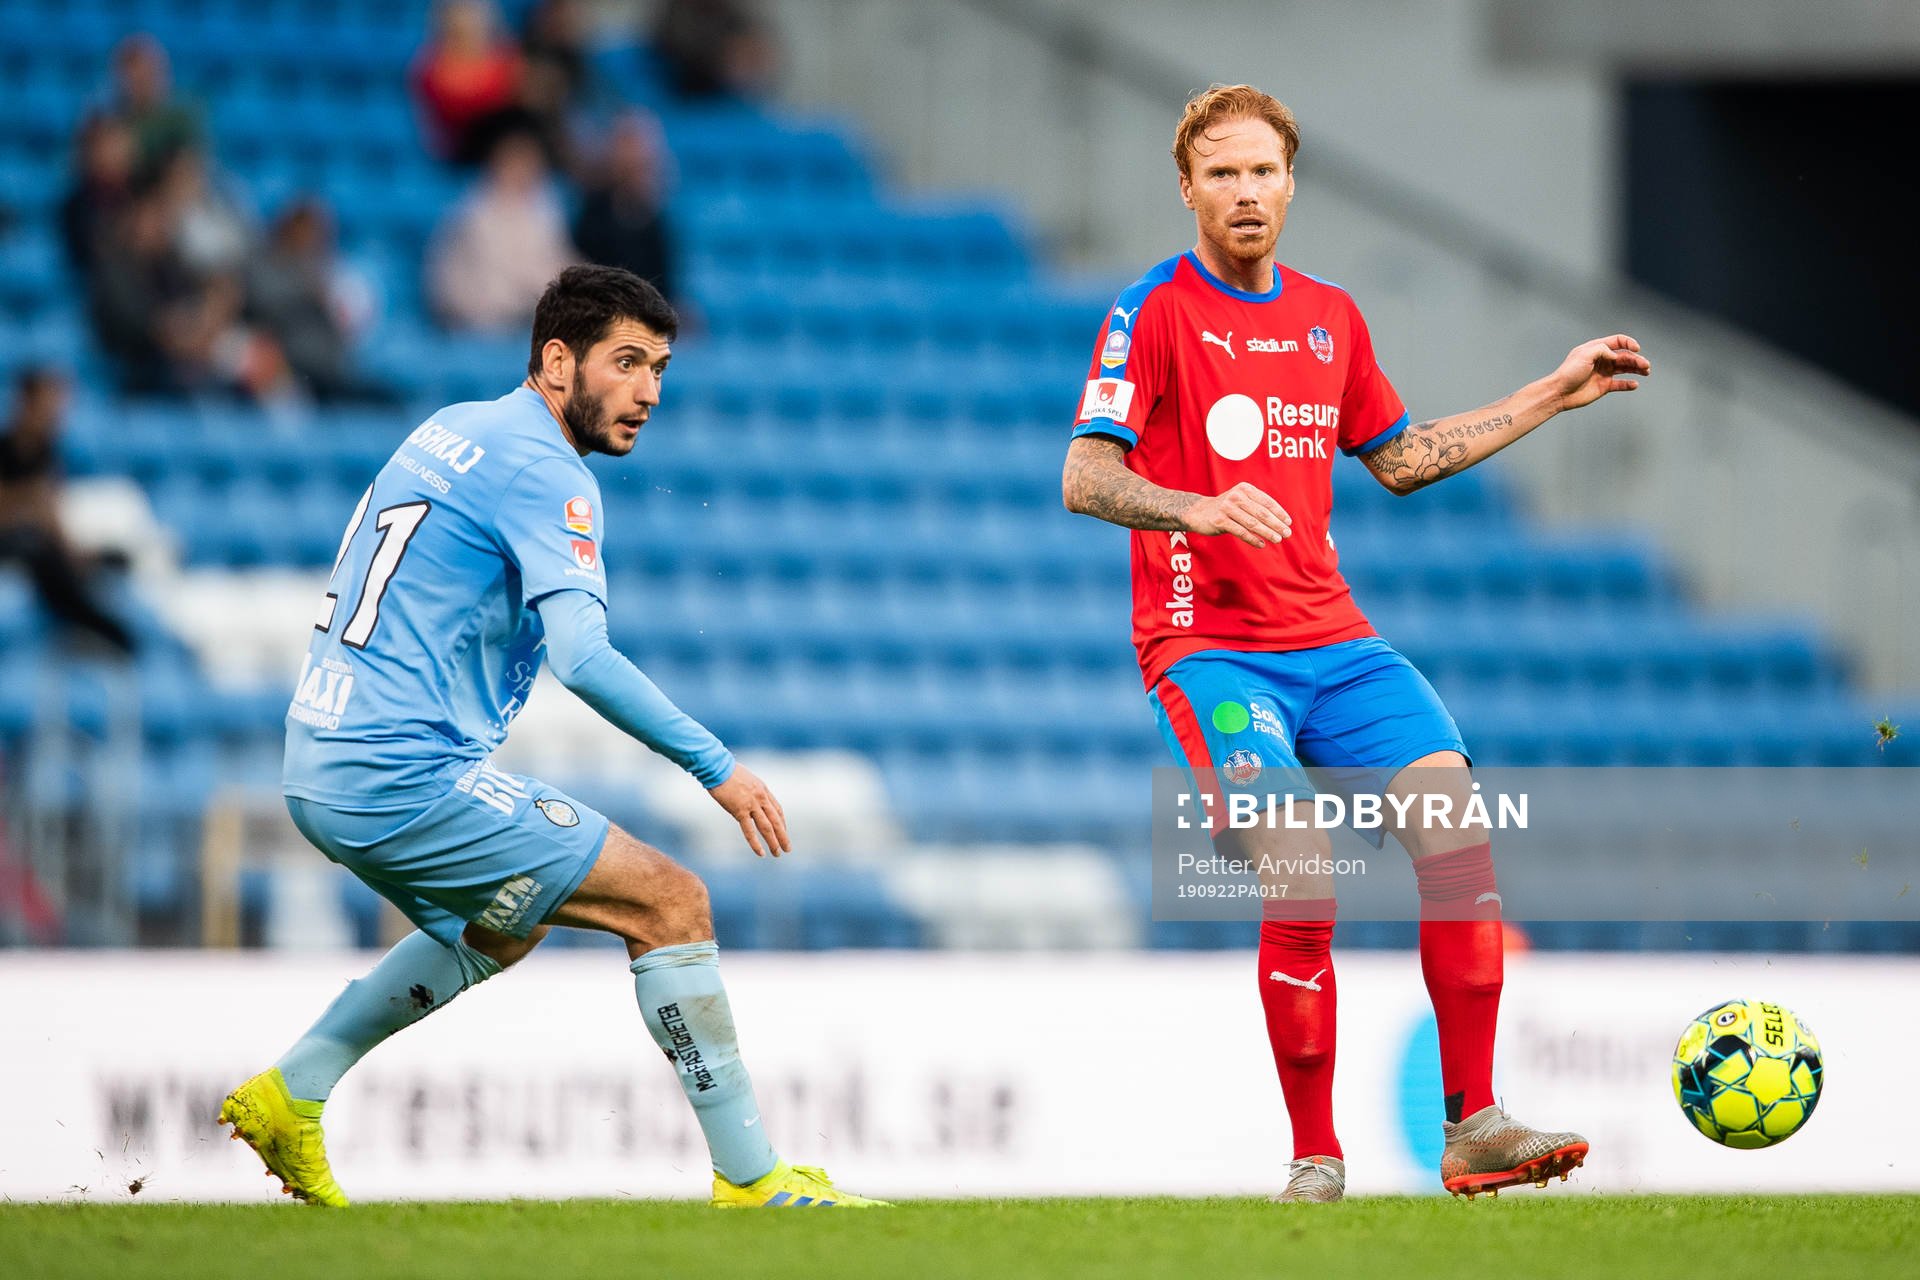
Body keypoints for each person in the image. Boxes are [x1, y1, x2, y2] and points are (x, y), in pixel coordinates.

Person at [1059, 84, 1650, 1202]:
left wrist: (1551, 394)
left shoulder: (1330, 316)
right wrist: (1193, 506)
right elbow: (1083, 474)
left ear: (1291, 184)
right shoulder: (1155, 311)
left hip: (1335, 640)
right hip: (1208, 649)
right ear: (1187, 189)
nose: (1246, 191)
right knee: (1303, 865)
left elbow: (1402, 455)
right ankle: (1316, 1156)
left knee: (1457, 831)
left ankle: (1474, 1122)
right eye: (1222, 173)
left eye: (1264, 171)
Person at [219, 265, 883, 1210]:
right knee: (671, 901)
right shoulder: (545, 469)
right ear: (557, 359)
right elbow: (583, 657)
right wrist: (718, 768)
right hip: (397, 771)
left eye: (659, 367)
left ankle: (295, 1089)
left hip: (321, 758)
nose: (649, 392)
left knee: (503, 926)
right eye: (627, 363)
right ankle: (752, 1179)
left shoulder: (454, 426)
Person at [0, 368, 137, 655]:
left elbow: (49, 508)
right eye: (47, 402)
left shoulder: (48, 451)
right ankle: (92, 624)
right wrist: (28, 503)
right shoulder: (6, 447)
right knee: (38, 550)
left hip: (34, 538)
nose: (55, 412)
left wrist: (73, 549)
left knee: (112, 557)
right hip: (14, 540)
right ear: (25, 402)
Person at [428, 130, 580, 333]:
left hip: (524, 320)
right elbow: (455, 288)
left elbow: (557, 265)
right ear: (499, 165)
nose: (525, 172)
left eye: (531, 164)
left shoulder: (542, 212)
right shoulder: (472, 214)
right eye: (518, 162)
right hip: (478, 324)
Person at [571, 112, 677, 308]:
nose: (633, 156)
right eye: (626, 145)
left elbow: (666, 285)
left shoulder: (658, 219)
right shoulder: (592, 209)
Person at [410, 0, 525, 166]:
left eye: (473, 15)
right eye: (461, 14)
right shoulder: (428, 68)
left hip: (502, 152)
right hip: (452, 153)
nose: (468, 23)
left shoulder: (509, 60)